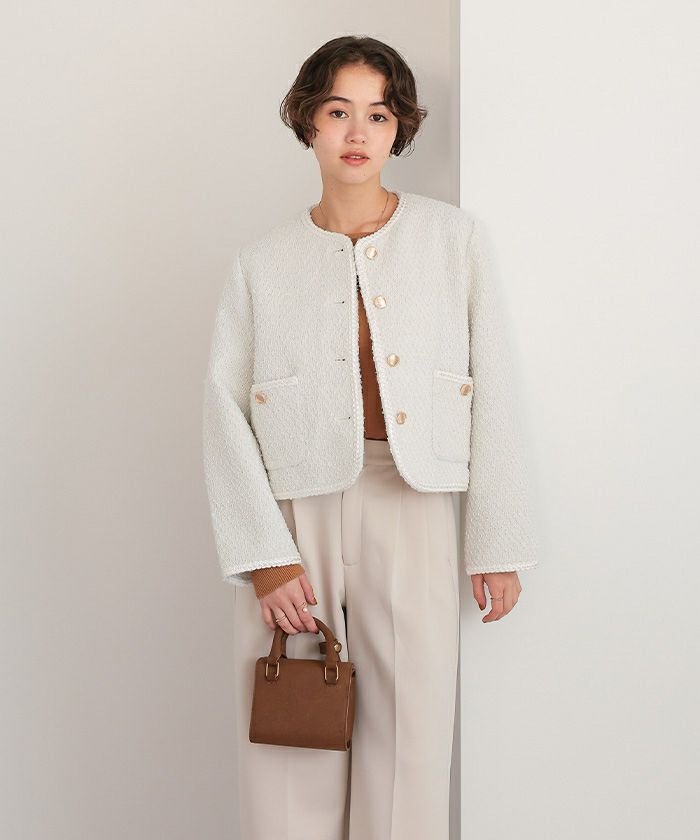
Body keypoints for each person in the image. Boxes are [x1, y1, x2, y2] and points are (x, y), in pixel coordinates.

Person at [202, 34, 538, 840]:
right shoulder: (262, 264)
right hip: (296, 514)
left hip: (411, 502)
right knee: (291, 737)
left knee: (410, 738)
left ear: (400, 128)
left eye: (378, 115)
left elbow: (496, 386)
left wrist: (496, 541)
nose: (358, 132)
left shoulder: (454, 241)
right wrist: (264, 557)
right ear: (307, 123)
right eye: (338, 112)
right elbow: (222, 409)